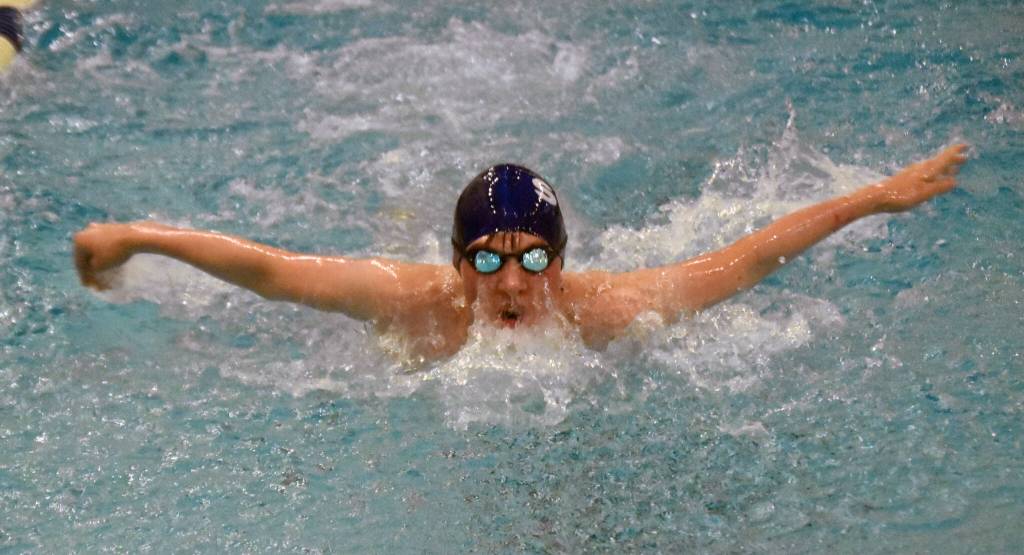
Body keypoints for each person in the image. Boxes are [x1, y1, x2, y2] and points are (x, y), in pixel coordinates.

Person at [74, 144, 968, 361]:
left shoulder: (605, 311)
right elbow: (269, 268)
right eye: (490, 261)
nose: (512, 282)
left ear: (563, 264)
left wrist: (875, 198)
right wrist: (141, 235)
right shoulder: (407, 298)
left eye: (534, 260)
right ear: (458, 264)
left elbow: (745, 260)